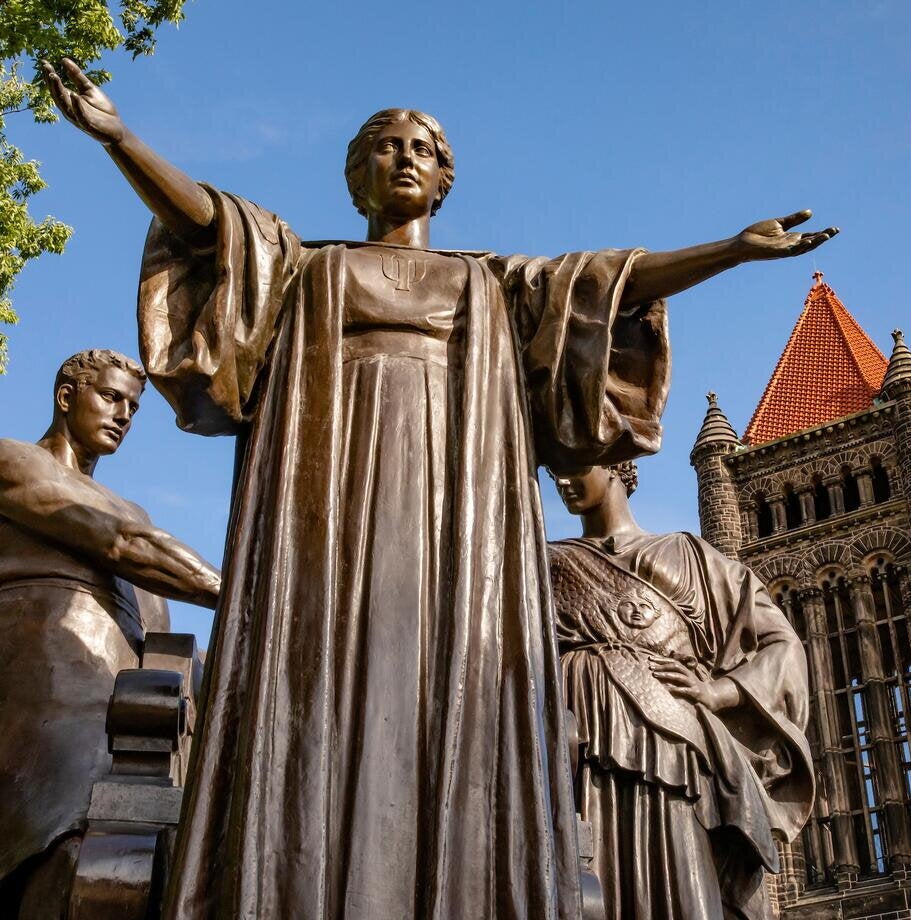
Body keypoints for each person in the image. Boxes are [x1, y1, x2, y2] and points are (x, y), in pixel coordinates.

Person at [41, 57, 834, 920]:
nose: (405, 158)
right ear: (357, 176)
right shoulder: (312, 270)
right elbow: (210, 227)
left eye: (422, 147)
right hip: (330, 512)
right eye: (385, 147)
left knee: (454, 694)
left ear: (445, 178)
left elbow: (603, 284)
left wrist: (729, 251)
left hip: (454, 531)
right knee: (318, 684)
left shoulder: (486, 284)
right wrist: (120, 139)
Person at [0, 349, 221, 918]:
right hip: (40, 707)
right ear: (66, 396)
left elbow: (162, 644)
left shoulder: (136, 510)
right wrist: (246, 595)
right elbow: (121, 544)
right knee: (56, 855)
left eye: (133, 406)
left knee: (119, 878)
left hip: (128, 736)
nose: (123, 414)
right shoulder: (14, 462)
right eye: (110, 397)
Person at [549, 462, 813, 919]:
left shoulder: (691, 555)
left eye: (577, 465)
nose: (564, 481)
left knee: (682, 884)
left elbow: (782, 642)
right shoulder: (544, 561)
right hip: (579, 742)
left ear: (616, 466)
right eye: (556, 472)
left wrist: (723, 691)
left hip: (674, 747)